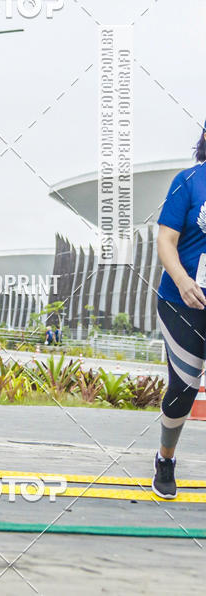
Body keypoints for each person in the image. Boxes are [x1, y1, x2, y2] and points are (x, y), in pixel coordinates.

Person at [153, 121, 206, 498]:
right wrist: (184, 280)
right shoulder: (187, 182)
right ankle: (165, 458)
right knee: (184, 386)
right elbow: (165, 240)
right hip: (182, 300)